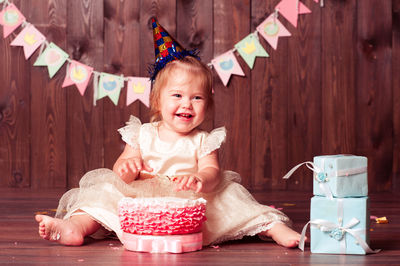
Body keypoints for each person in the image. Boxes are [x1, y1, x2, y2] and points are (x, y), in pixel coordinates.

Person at [35, 17, 302, 248]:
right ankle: (75, 227)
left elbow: (212, 171)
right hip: (141, 199)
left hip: (189, 202)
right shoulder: (141, 133)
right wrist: (126, 168)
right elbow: (121, 167)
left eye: (196, 97)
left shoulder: (204, 140)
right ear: (157, 101)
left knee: (234, 203)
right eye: (177, 95)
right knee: (102, 197)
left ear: (207, 106)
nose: (186, 103)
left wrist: (200, 179)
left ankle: (274, 229)